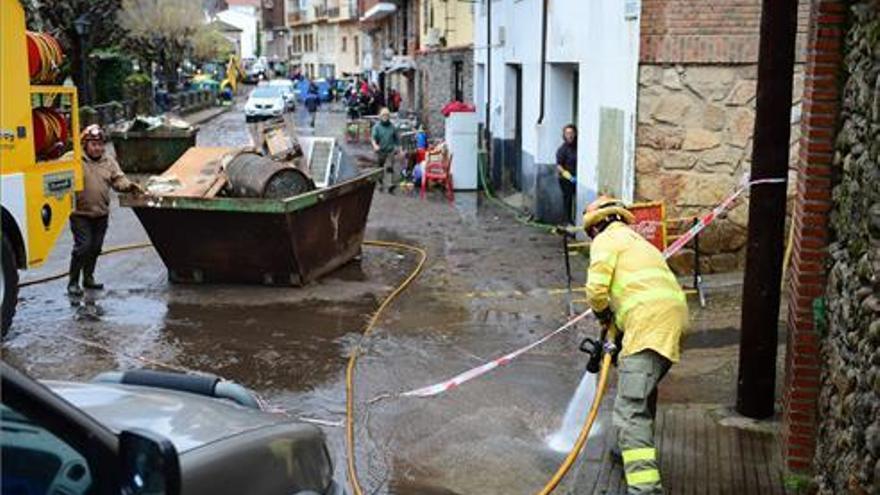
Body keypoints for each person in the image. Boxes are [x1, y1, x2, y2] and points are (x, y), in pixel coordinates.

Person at [583, 196, 688, 495]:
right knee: (642, 392)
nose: (592, 238)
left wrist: (603, 314)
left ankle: (645, 489)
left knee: (630, 410)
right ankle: (623, 449)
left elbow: (596, 290)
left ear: (598, 225)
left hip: (649, 326)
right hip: (673, 322)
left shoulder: (606, 240)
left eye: (591, 232)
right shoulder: (639, 242)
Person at [68, 125, 145, 296]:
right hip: (80, 213)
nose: (98, 148)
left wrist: (130, 186)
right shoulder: (74, 159)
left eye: (100, 144)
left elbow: (119, 179)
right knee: (83, 247)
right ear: (84, 145)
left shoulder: (109, 161)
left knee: (95, 248)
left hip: (101, 213)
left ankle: (88, 278)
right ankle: (73, 282)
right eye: (93, 144)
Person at [371, 107, 400, 192]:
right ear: (380, 116)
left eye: (387, 115)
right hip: (380, 151)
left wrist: (399, 148)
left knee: (390, 167)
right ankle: (380, 183)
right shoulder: (377, 127)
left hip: (390, 150)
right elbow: (373, 138)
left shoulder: (392, 127)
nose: (385, 117)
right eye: (383, 115)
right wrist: (375, 145)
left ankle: (390, 184)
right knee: (380, 168)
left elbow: (396, 138)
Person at [556, 124, 578, 225]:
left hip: (577, 178)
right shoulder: (562, 150)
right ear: (564, 135)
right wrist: (567, 175)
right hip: (566, 179)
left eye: (572, 133)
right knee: (568, 200)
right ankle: (568, 221)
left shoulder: (578, 147)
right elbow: (559, 166)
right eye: (567, 133)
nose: (570, 135)